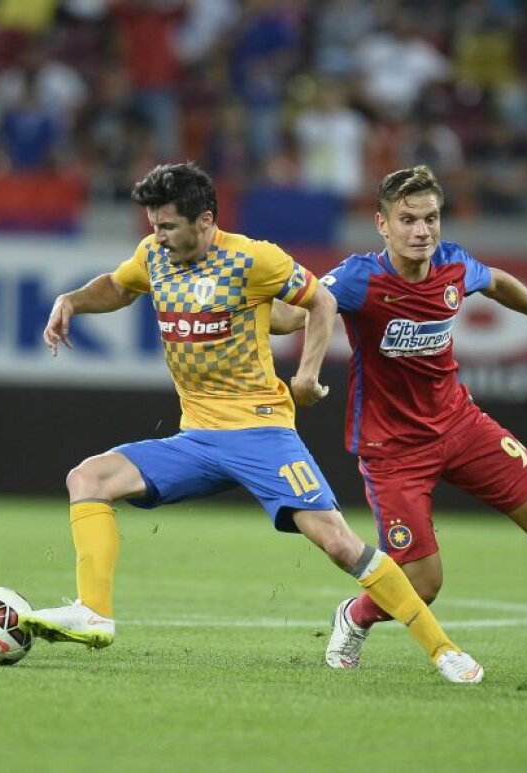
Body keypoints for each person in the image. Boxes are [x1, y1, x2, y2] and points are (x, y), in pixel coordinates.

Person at [28, 162, 483, 683]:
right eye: (154, 225)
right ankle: (94, 612)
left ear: (204, 221)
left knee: (338, 542)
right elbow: (119, 285)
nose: (157, 235)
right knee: (88, 477)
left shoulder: (252, 258)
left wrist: (307, 376)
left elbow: (321, 300)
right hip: (197, 438)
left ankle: (442, 649)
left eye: (167, 226)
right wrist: (71, 301)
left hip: (263, 433)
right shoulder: (154, 256)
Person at [270, 165, 527, 668]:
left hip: (462, 425)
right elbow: (302, 310)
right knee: (423, 584)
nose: (422, 231)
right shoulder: (359, 277)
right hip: (394, 449)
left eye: (431, 219)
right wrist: (258, 316)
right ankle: (355, 614)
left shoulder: (452, 264)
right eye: (409, 219)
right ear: (382, 224)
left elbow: (497, 281)